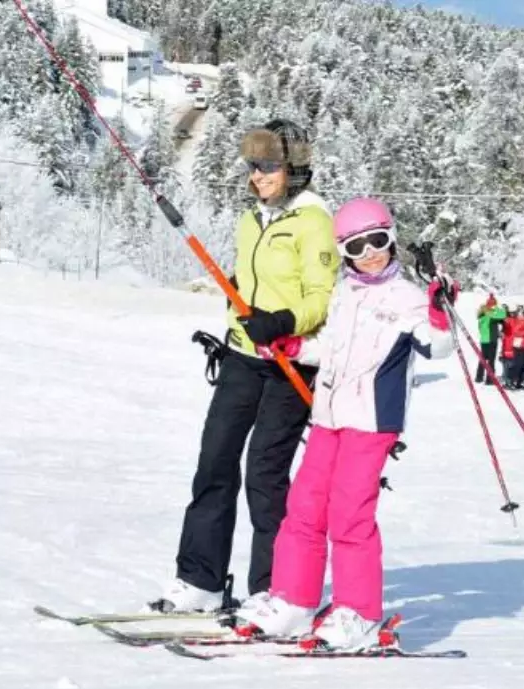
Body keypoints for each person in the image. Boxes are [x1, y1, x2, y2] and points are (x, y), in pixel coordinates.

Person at [235, 197, 456, 649]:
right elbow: (326, 350)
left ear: (392, 239)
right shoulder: (342, 295)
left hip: (373, 421)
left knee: (350, 515)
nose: (371, 253)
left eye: (379, 241)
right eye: (357, 246)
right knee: (304, 507)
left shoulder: (406, 298)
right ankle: (294, 601)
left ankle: (359, 612)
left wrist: (439, 308)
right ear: (344, 252)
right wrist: (291, 348)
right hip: (328, 416)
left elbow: (438, 347)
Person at [152, 119, 341, 614]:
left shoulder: (314, 221)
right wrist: (242, 293)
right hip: (242, 354)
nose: (259, 176)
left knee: (264, 473)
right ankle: (200, 579)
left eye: (270, 167)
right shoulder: (251, 218)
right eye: (254, 167)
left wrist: (280, 320)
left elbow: (321, 298)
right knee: (214, 460)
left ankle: (273, 588)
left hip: (289, 362)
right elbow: (254, 278)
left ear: (294, 169)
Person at [474, 294, 505, 385]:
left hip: (484, 340)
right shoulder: (491, 316)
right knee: (491, 360)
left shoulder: (482, 316)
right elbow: (502, 315)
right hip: (491, 340)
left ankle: (479, 377)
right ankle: (490, 380)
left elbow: (481, 328)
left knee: (483, 359)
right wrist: (497, 308)